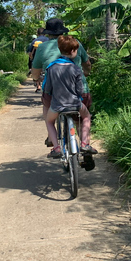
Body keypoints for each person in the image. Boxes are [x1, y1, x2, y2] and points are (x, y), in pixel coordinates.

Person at [31, 18, 96, 153]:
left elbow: (36, 72)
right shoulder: (75, 44)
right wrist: (86, 73)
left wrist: (36, 79)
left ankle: (52, 138)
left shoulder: (42, 48)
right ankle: (85, 145)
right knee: (82, 118)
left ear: (48, 33)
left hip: (55, 97)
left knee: (47, 105)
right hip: (78, 96)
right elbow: (87, 64)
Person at [42, 35, 96, 169]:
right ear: (73, 51)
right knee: (87, 117)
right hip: (75, 104)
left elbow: (47, 88)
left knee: (49, 121)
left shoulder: (51, 68)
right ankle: (84, 144)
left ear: (60, 50)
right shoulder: (76, 69)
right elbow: (79, 89)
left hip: (57, 105)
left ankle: (56, 148)